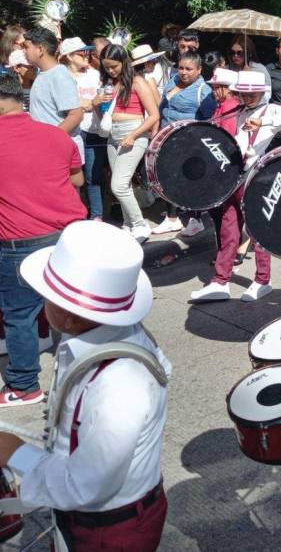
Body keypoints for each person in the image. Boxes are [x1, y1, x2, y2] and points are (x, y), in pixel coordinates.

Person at [0, 220, 171, 550]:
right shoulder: (93, 338)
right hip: (101, 515)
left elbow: (86, 485)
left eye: (46, 297)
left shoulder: (119, 386)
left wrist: (15, 453)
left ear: (67, 316)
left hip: (108, 530)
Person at [0, 74, 85, 406]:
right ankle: (84, 370)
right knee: (73, 305)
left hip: (19, 241)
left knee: (19, 313)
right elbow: (77, 179)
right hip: (67, 236)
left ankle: (24, 387)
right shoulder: (55, 135)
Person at [190, 71, 281, 303]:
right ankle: (221, 281)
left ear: (262, 92)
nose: (248, 98)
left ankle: (263, 280)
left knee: (257, 230)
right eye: (243, 93)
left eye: (252, 94)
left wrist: (263, 121)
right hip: (235, 177)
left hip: (255, 178)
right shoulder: (238, 110)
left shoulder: (270, 109)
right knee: (228, 229)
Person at [94, 44, 160, 242]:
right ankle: (128, 224)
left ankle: (140, 225)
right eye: (107, 67)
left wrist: (133, 135)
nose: (111, 70)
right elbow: (105, 115)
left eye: (114, 66)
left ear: (124, 62)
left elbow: (154, 114)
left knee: (119, 185)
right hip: (112, 134)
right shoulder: (110, 84)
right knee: (124, 184)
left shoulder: (138, 82)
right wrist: (97, 104)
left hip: (134, 133)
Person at [154, 51, 217, 236]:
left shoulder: (203, 91)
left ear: (199, 70)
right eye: (181, 68)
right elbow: (162, 109)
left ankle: (195, 220)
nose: (183, 72)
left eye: (189, 69)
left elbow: (209, 119)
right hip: (167, 138)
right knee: (167, 177)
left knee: (189, 181)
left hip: (190, 143)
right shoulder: (172, 82)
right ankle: (172, 218)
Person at [61, 37, 104, 221]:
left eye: (88, 51)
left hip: (94, 130)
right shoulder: (61, 77)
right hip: (71, 133)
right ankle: (75, 217)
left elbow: (102, 99)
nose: (87, 55)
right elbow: (63, 104)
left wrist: (91, 104)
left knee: (93, 177)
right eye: (82, 52)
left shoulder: (95, 75)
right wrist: (88, 103)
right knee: (72, 179)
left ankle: (97, 217)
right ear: (69, 56)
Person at [23, 27, 84, 154]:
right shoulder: (43, 74)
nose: (24, 51)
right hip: (46, 149)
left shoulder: (59, 75)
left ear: (40, 50)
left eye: (26, 47)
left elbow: (76, 115)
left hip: (60, 150)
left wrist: (50, 138)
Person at [227, 35, 272, 101]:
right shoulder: (229, 69)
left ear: (248, 52)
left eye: (239, 53)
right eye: (232, 52)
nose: (235, 55)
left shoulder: (259, 69)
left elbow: (267, 95)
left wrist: (249, 78)